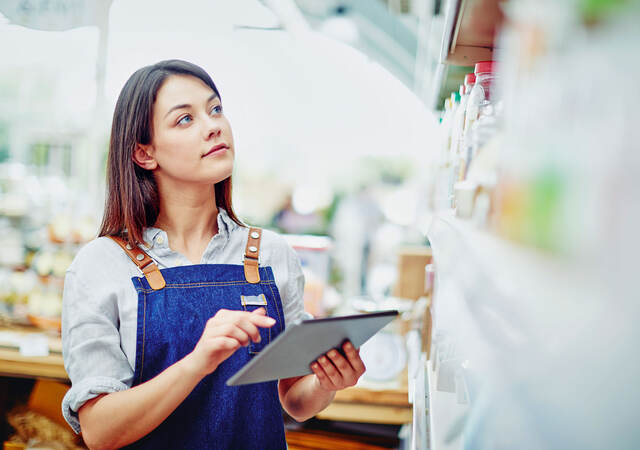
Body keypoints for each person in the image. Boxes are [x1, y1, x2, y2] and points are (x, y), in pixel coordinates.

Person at [61, 59, 366, 449]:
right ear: (144, 153)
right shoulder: (101, 266)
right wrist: (197, 362)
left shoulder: (272, 255)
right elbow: (101, 431)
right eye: (185, 119)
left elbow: (295, 399)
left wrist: (327, 381)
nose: (213, 126)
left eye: (215, 109)